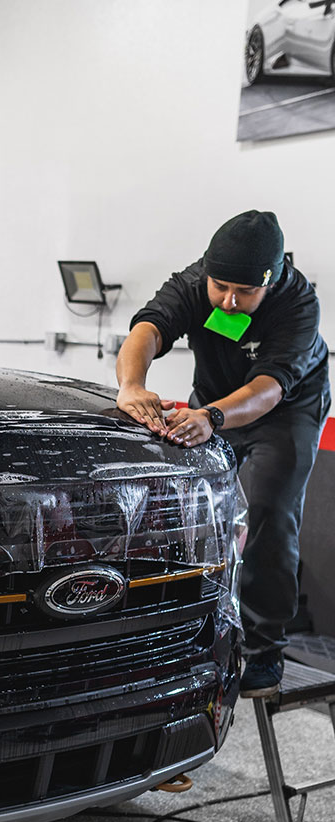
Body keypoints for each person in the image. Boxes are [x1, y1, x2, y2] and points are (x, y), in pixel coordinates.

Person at [116, 209, 330, 698]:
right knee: (186, 510)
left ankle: (263, 650)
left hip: (284, 409)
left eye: (245, 293)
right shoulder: (193, 283)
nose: (230, 301)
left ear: (270, 281)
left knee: (271, 512)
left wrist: (209, 417)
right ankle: (181, 631)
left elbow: (270, 389)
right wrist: (131, 385)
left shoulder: (299, 302)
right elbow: (147, 330)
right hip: (214, 398)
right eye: (220, 288)